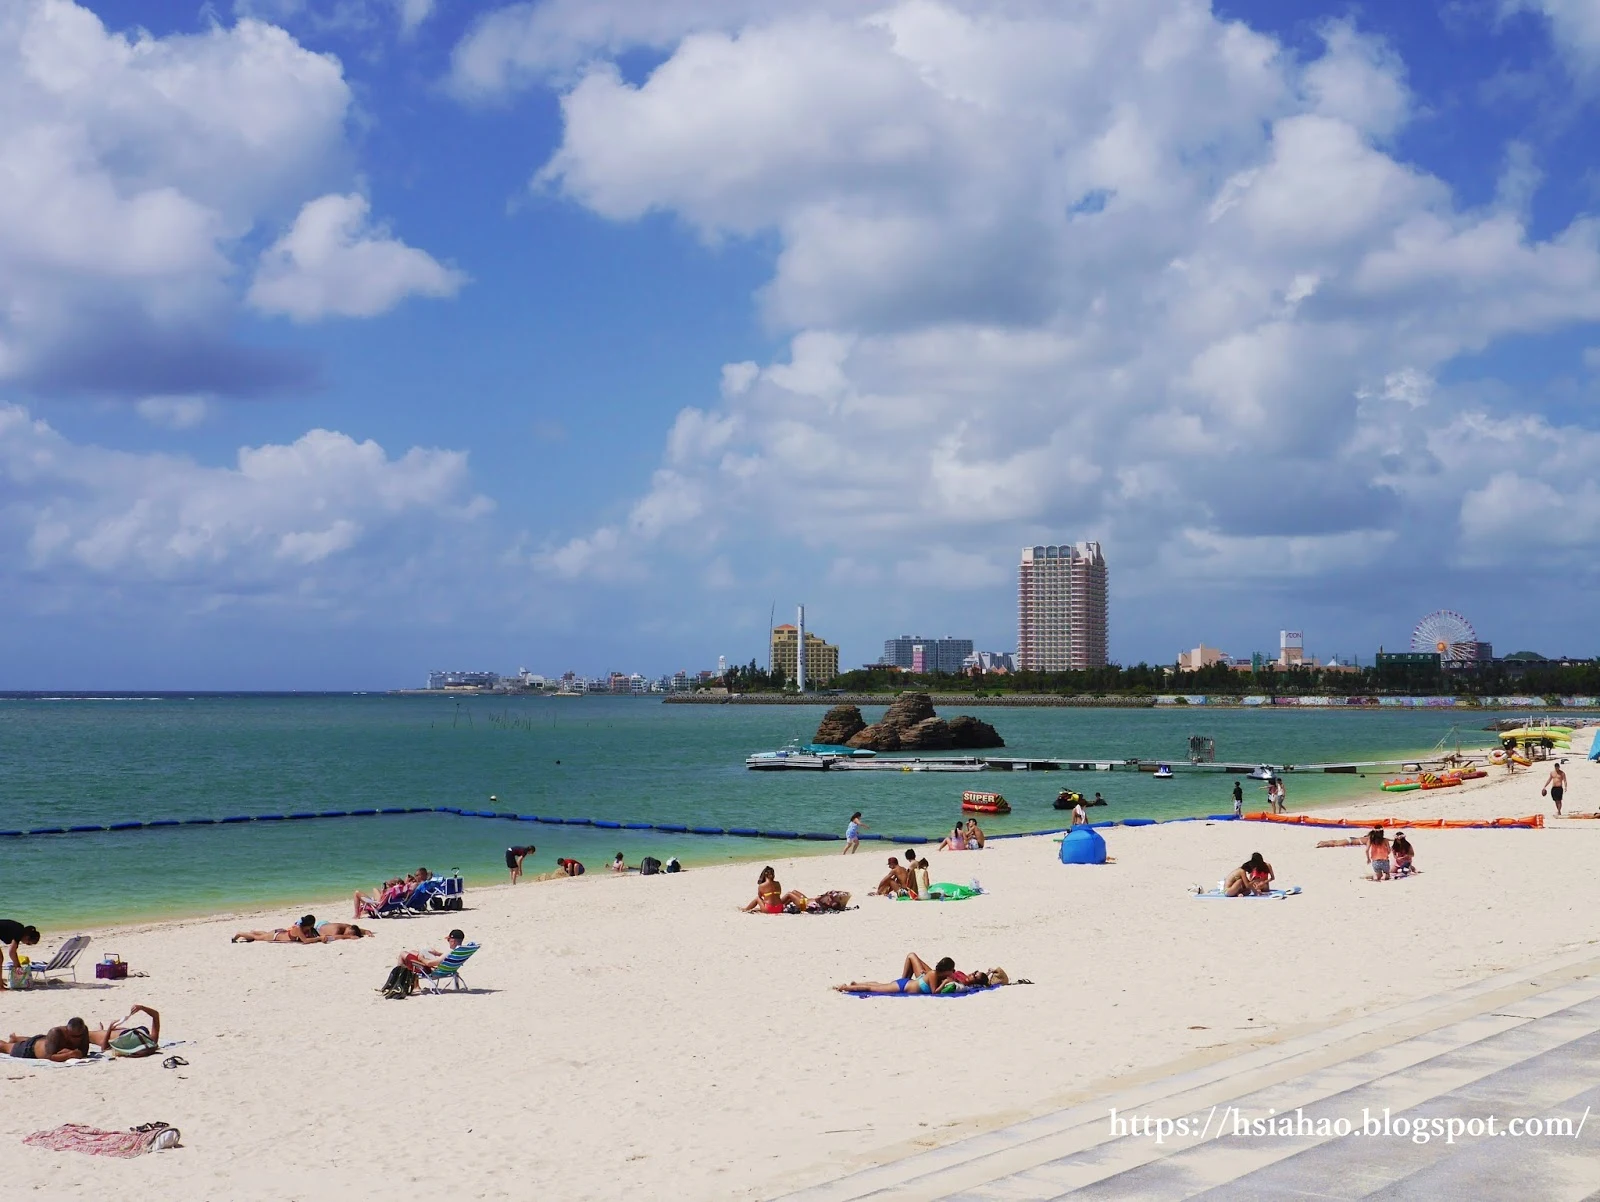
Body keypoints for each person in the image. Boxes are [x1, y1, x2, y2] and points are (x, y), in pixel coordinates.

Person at [834, 953, 959, 995]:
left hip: (906, 984)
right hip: (903, 986)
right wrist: (945, 984)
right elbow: (934, 993)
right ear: (946, 969)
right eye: (951, 970)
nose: (952, 972)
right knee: (872, 988)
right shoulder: (932, 974)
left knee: (880, 985)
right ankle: (844, 987)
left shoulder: (934, 974)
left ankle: (856, 984)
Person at [2, 1018, 91, 1062]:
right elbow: (49, 1057)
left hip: (45, 1041)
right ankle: (15, 1040)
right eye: (74, 1037)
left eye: (80, 1036)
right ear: (67, 1031)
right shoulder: (56, 1032)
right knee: (5, 1047)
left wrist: (74, 1053)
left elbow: (84, 1052)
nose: (77, 1039)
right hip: (31, 1049)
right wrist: (69, 1054)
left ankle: (16, 1038)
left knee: (44, 1041)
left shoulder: (84, 1030)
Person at [89, 1005, 163, 1058]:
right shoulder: (152, 1041)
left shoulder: (150, 1042)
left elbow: (104, 1048)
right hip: (121, 1032)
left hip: (113, 1034)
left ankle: (101, 1030)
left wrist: (110, 1028)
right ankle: (101, 1030)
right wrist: (141, 1008)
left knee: (89, 1035)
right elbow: (155, 1015)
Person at [399, 929, 465, 976]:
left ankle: (400, 977)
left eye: (448, 939)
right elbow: (448, 958)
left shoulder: (449, 952)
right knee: (412, 952)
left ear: (453, 941)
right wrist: (437, 954)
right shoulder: (460, 951)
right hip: (448, 969)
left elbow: (429, 963)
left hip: (433, 970)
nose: (448, 941)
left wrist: (421, 958)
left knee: (403, 953)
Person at [0, 919, 41, 990]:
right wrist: (18, 966)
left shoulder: (19, 930)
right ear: (27, 937)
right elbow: (11, 952)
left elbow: (13, 952)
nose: (26, 944)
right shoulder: (19, 932)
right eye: (28, 943)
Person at [232, 914, 324, 943]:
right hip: (277, 936)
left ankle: (254, 931)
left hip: (280, 932)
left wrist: (318, 938)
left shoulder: (305, 928)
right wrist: (319, 938)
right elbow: (305, 940)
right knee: (257, 938)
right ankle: (240, 934)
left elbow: (310, 937)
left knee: (265, 934)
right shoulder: (298, 928)